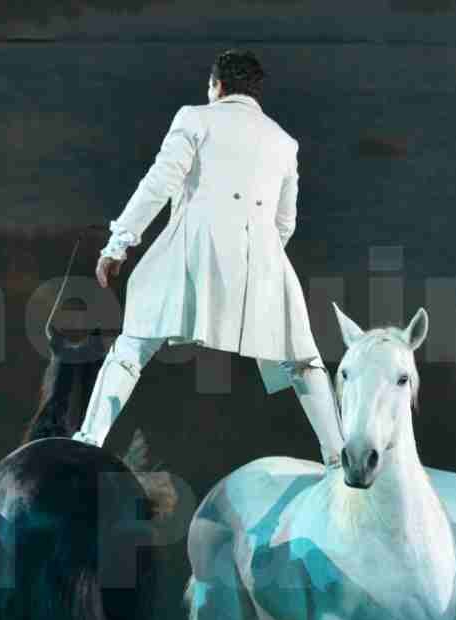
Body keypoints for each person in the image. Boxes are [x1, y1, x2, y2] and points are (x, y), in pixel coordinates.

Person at [72, 49, 344, 472]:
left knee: (133, 345)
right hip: (263, 259)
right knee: (303, 361)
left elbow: (159, 182)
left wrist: (117, 244)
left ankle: (89, 440)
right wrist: (256, 264)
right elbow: (284, 222)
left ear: (216, 85)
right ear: (257, 91)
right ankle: (336, 455)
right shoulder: (284, 142)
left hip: (194, 250)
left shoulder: (195, 118)